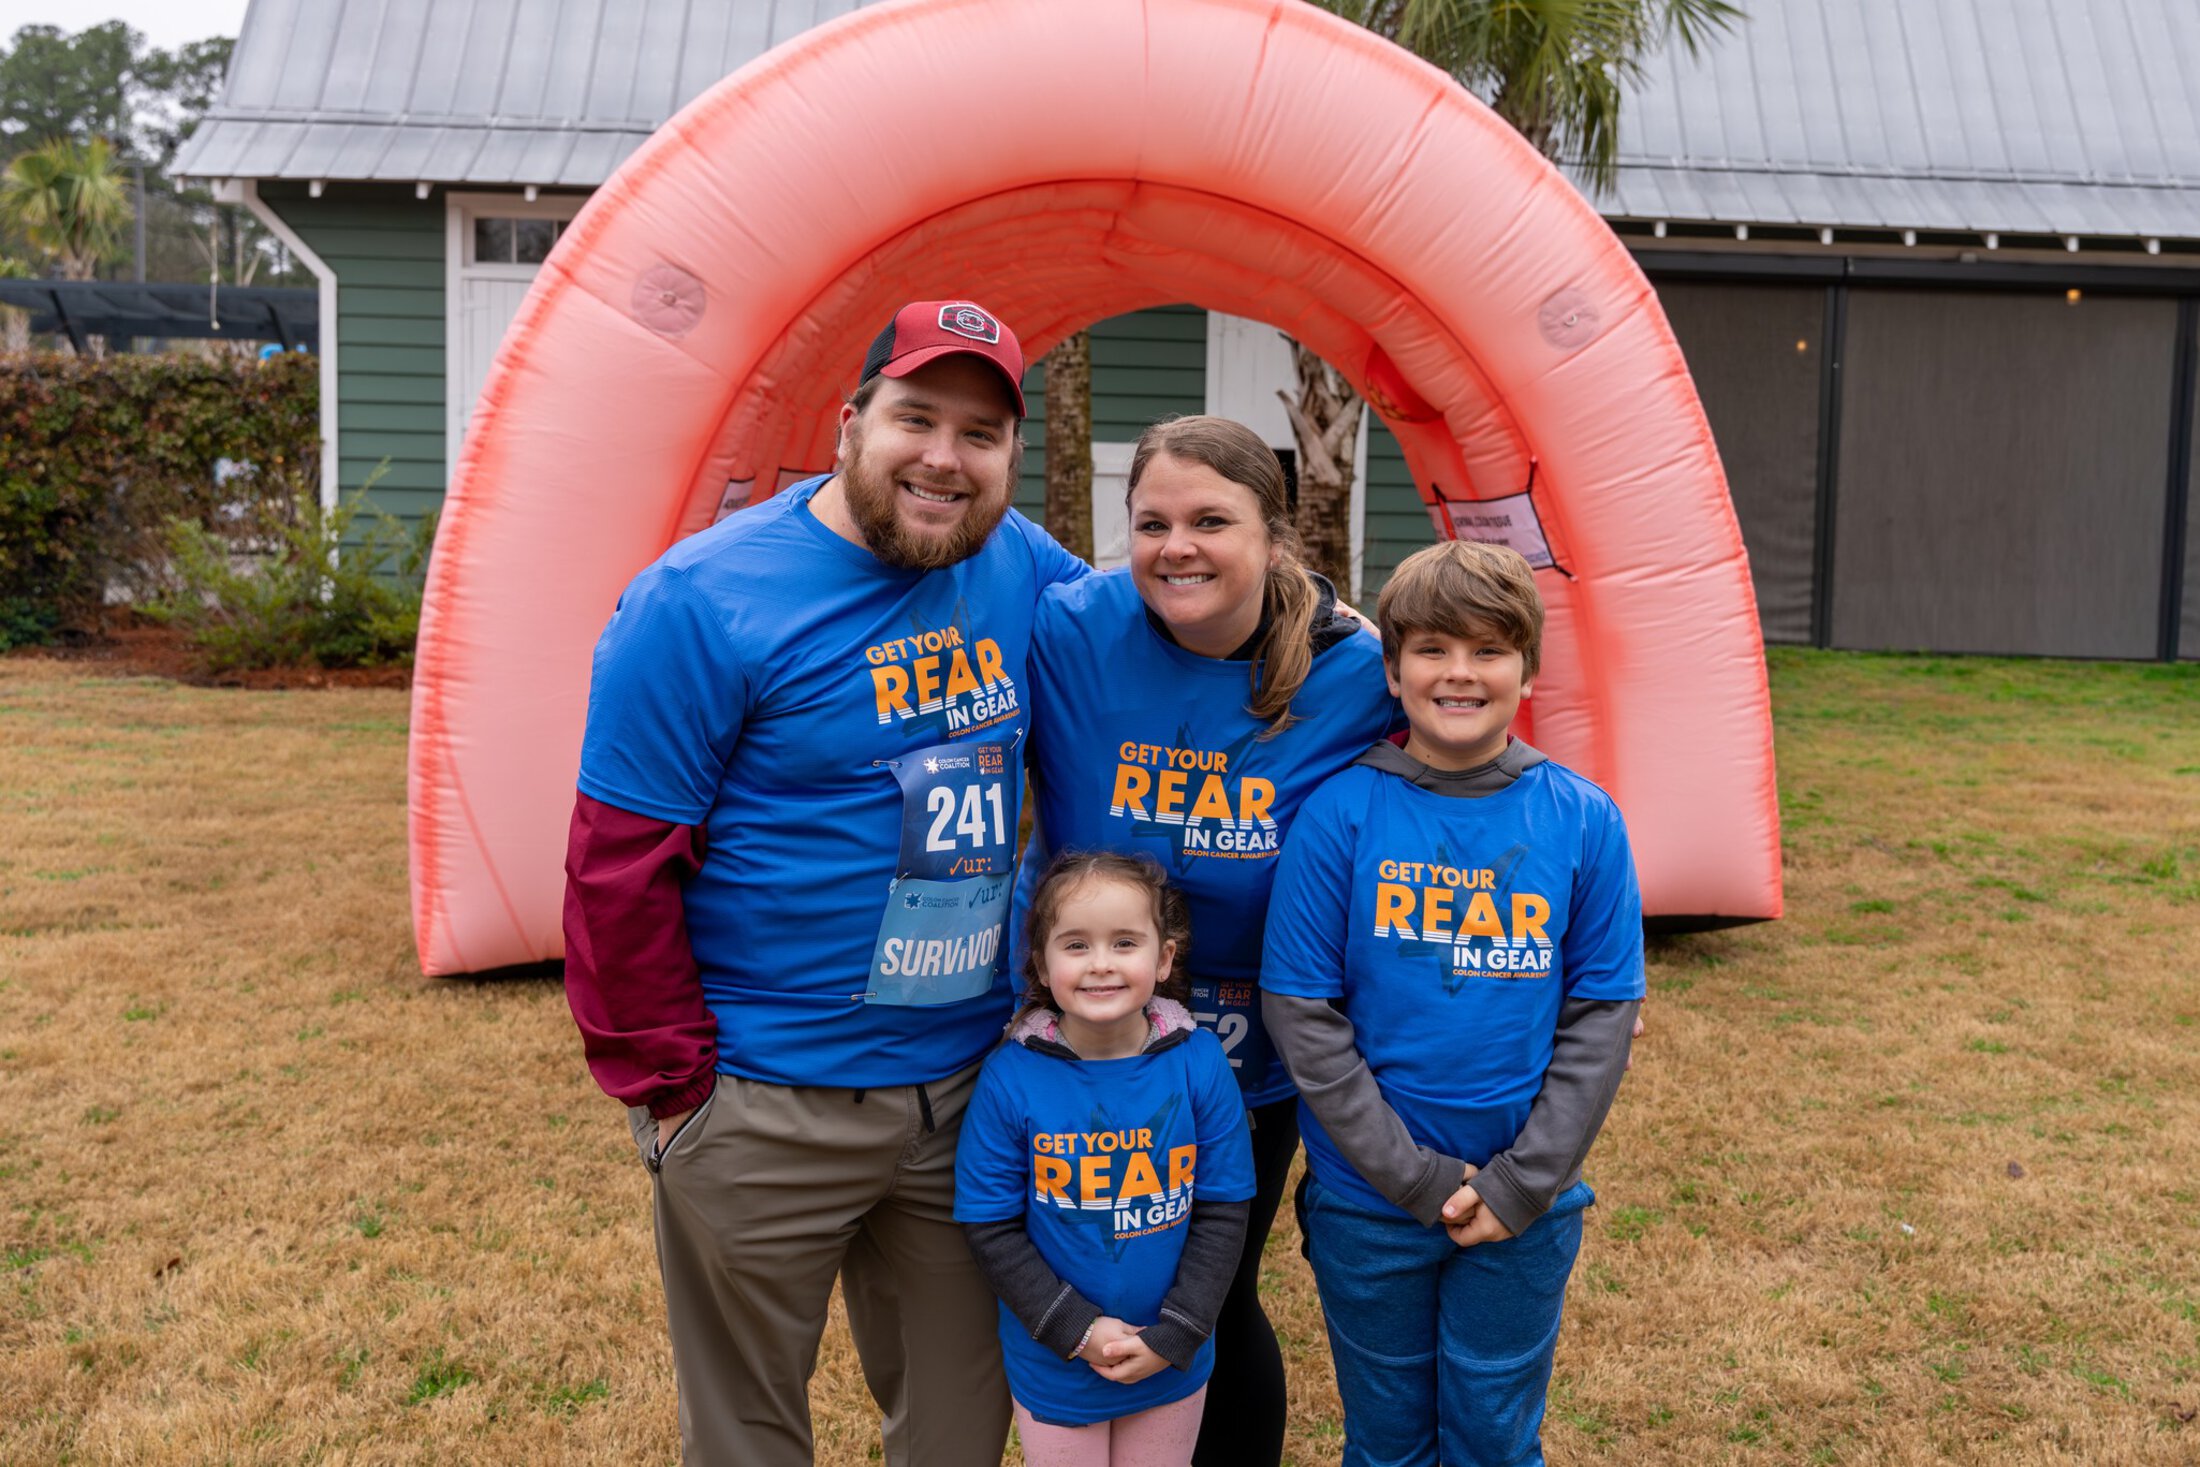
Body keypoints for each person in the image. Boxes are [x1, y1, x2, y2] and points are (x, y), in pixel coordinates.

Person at [562, 299, 1088, 1467]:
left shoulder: (1016, 565)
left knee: (960, 1431)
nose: (945, 459)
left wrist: (1323, 627)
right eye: (917, 418)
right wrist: (673, 1088)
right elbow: (617, 869)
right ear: (852, 422)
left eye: (983, 434)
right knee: (749, 1439)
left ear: (1011, 459)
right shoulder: (700, 602)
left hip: (965, 1095)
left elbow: (1155, 622)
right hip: (762, 1101)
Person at [1019, 414, 1399, 1466]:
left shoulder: (1358, 673)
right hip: (1082, 1029)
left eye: (1209, 520)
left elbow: (1484, 777)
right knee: (1092, 1282)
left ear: (1273, 538)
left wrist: (1570, 970)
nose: (1175, 545)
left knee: (1208, 1292)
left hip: (1253, 1056)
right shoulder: (1069, 626)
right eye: (1150, 522)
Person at [1259, 539, 1644, 1467]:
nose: (1459, 672)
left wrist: (1518, 1184)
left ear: (1528, 668)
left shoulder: (1583, 819)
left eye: (1488, 650)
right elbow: (1303, 1015)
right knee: (1386, 1444)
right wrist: (1417, 1180)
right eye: (1432, 648)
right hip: (1370, 1208)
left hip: (1526, 1212)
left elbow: (1601, 1018)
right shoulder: (1341, 814)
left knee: (1494, 1442)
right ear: (1392, 670)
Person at [956, 852, 1256, 1467]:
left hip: (1172, 1354)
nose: (1101, 964)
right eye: (1075, 945)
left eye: (1125, 942)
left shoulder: (1199, 1064)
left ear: (1165, 958)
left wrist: (1178, 1331)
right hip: (1057, 1360)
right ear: (1040, 963)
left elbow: (1224, 1212)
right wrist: (1076, 1329)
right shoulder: (1010, 1078)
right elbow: (991, 1227)